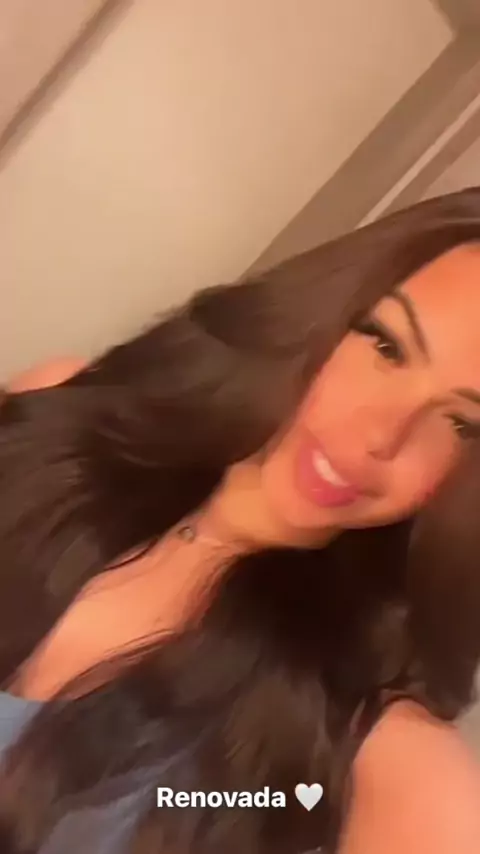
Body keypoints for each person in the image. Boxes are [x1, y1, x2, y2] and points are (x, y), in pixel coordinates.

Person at [1, 189, 480, 854]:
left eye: (461, 424)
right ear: (321, 309)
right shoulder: (57, 421)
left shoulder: (364, 732)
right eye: (385, 345)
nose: (376, 436)